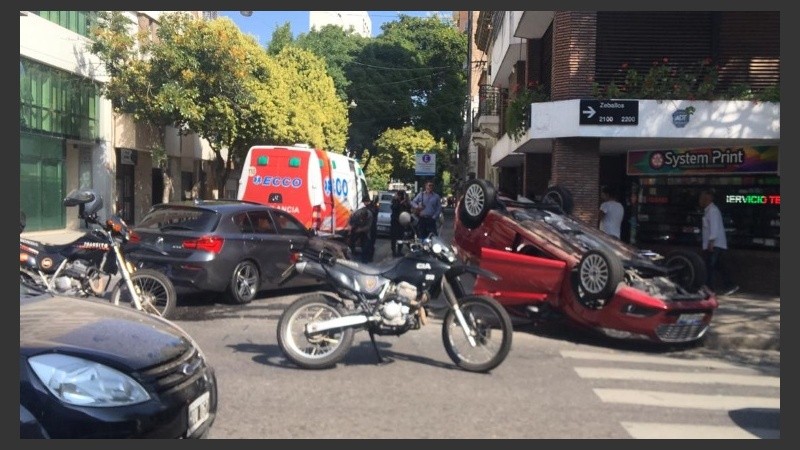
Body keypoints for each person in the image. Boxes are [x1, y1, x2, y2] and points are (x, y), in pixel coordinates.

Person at [699, 189, 739, 296]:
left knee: (710, 266)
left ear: (707, 198)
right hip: (714, 243)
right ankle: (729, 284)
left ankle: (710, 289)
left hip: (714, 244)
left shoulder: (713, 211)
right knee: (718, 265)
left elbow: (714, 227)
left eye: (702, 197)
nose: (700, 200)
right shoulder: (708, 211)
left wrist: (711, 241)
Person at [348, 196, 374, 263]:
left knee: (366, 244)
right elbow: (351, 222)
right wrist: (351, 228)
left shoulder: (369, 215)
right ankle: (351, 254)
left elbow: (368, 227)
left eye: (363, 218)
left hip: (365, 231)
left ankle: (365, 259)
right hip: (357, 227)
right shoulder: (357, 214)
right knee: (351, 241)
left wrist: (361, 229)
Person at [390, 190, 412, 256]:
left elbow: (408, 209)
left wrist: (406, 202)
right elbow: (393, 208)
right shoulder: (395, 201)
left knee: (401, 237)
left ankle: (399, 251)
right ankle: (394, 251)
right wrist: (400, 203)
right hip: (395, 221)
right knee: (393, 237)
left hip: (402, 222)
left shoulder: (405, 202)